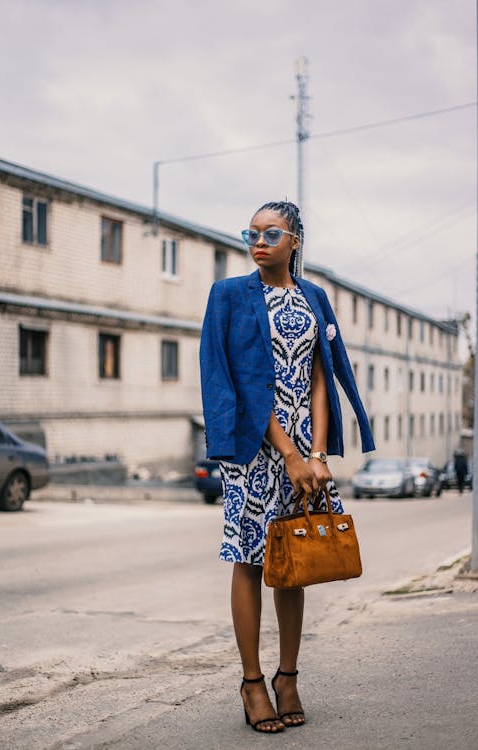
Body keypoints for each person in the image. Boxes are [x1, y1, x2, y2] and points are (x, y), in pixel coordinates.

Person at [200, 201, 375, 733]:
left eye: (271, 233)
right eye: (251, 233)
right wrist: (291, 455)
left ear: (295, 240)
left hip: (306, 451)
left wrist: (317, 455)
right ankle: (253, 682)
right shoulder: (228, 296)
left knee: (292, 560)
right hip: (255, 449)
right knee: (251, 559)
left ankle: (288, 677)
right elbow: (234, 378)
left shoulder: (315, 297)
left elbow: (322, 376)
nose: (258, 241)